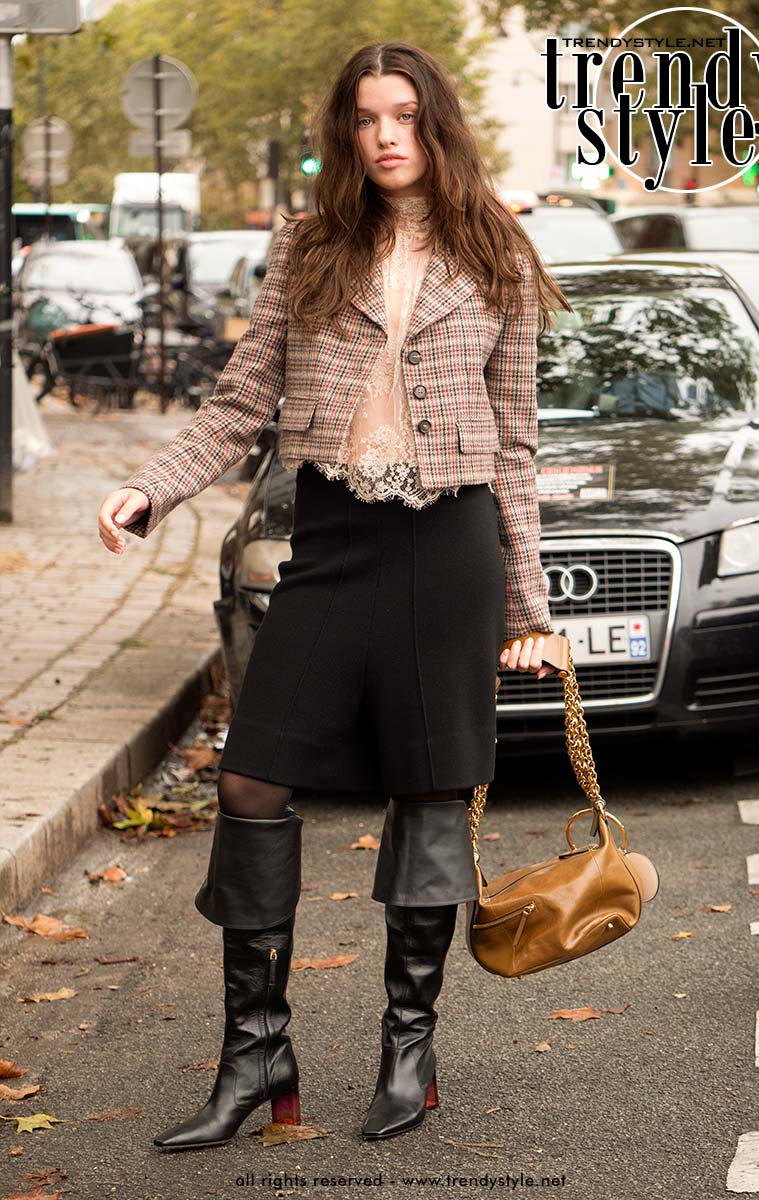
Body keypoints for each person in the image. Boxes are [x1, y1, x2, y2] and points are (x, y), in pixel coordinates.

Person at [97, 41, 571, 1150]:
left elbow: (514, 449)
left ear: (435, 123)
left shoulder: (495, 250)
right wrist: (144, 489)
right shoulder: (307, 244)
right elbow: (236, 404)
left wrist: (526, 613)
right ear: (344, 134)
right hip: (333, 539)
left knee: (427, 788)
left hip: (449, 549)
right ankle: (256, 1053)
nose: (386, 134)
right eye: (366, 117)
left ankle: (409, 1049)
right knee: (254, 780)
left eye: (404, 113)